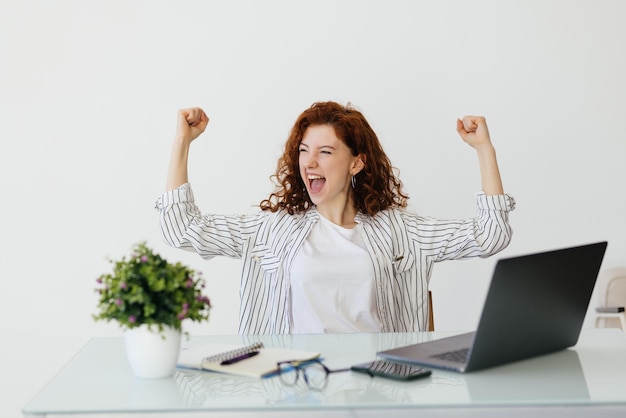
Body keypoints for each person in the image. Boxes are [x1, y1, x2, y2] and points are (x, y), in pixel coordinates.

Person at [155, 101, 515, 335]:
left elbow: (491, 235)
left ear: (356, 162)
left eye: (325, 152)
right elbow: (181, 228)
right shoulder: (272, 230)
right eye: (304, 152)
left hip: (378, 389)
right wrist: (181, 142)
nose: (309, 163)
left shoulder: (399, 230)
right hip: (292, 390)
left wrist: (484, 150)